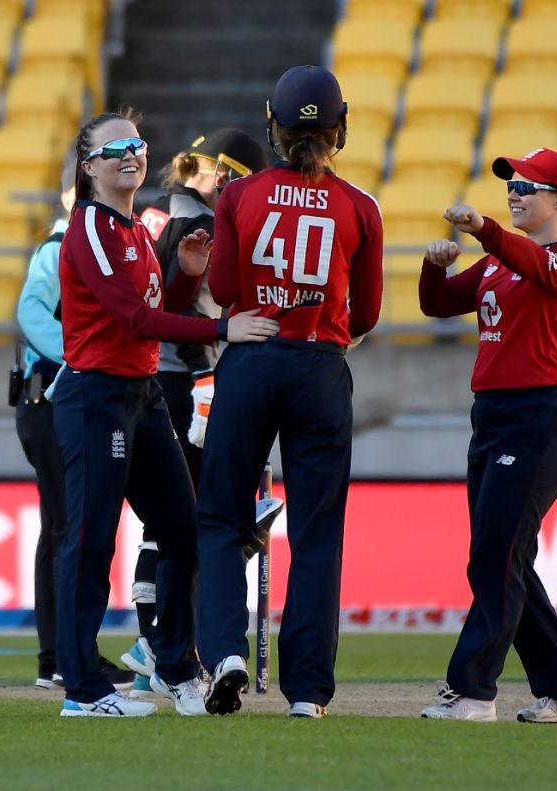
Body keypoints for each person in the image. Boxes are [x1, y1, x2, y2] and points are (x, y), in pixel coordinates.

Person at [50, 109, 279, 718]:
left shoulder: (131, 231)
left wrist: (185, 275)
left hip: (141, 393)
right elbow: (131, 319)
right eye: (114, 147)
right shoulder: (93, 227)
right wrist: (222, 325)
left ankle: (176, 666)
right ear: (89, 165)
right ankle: (82, 688)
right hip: (97, 396)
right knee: (92, 540)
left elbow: (155, 308)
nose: (130, 154)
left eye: (137, 144)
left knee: (183, 530)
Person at [194, 65, 384, 719]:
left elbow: (221, 292)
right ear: (341, 130)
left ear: (273, 126)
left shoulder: (240, 196)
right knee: (316, 531)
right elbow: (368, 314)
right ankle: (308, 691)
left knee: (220, 518)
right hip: (319, 368)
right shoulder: (361, 206)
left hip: (250, 360)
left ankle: (225, 654)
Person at [416, 147, 557, 724]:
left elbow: (535, 265)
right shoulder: (501, 262)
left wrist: (486, 230)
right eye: (511, 185)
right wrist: (434, 265)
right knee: (499, 558)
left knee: (497, 554)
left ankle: (472, 691)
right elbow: (437, 302)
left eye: (527, 185)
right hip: (492, 415)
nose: (514, 192)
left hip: (541, 415)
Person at [120, 128, 272, 697]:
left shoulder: (158, 210)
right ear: (224, 172)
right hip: (185, 375)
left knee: (161, 524)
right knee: (187, 518)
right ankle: (157, 647)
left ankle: (152, 647)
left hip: (159, 371)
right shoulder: (196, 221)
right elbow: (172, 302)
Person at [15, 155, 136, 692]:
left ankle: (59, 655)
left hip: (50, 396)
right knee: (70, 527)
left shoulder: (88, 239)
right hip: (54, 397)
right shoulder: (63, 242)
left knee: (62, 526)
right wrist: (80, 356)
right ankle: (65, 657)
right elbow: (31, 310)